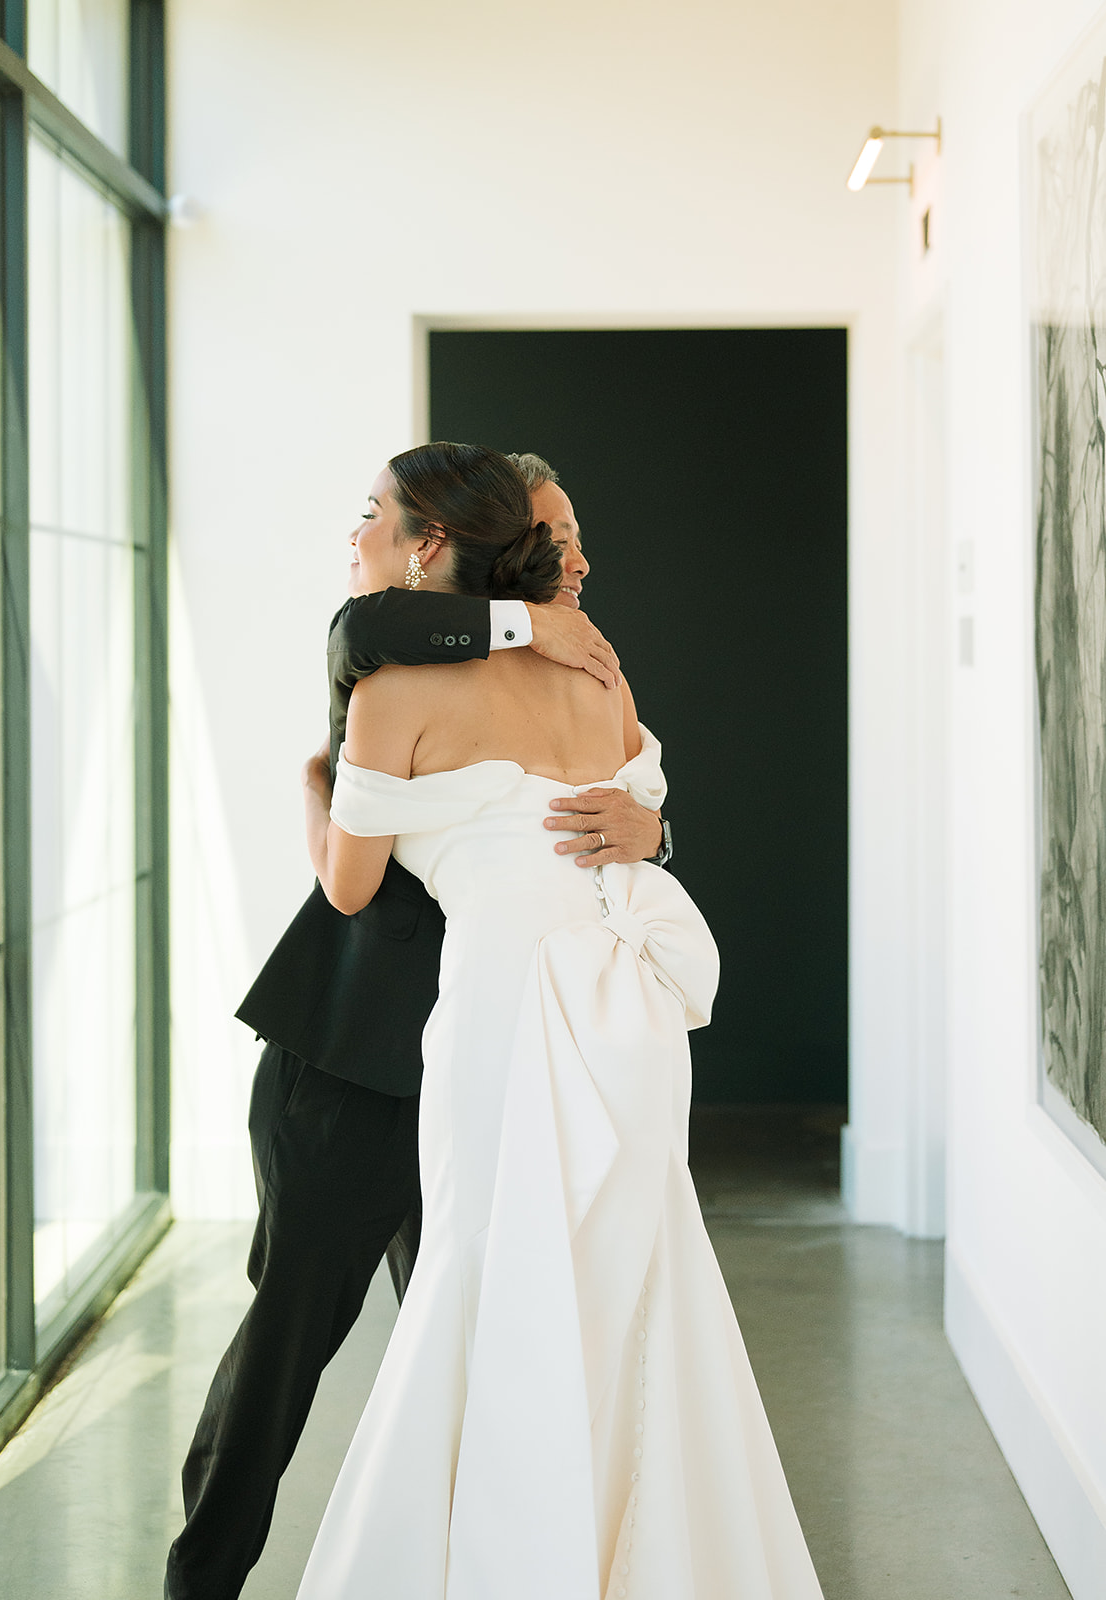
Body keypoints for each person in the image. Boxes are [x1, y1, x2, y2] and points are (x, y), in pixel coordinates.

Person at [296, 442, 824, 1599]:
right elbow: (633, 816)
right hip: (626, 1016)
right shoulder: (599, 675)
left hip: (501, 1009)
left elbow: (346, 887)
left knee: (484, 1275)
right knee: (634, 1286)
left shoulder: (387, 692)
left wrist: (315, 787)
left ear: (436, 544)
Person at [163, 455, 668, 1600]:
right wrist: (521, 624)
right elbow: (371, 629)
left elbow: (620, 813)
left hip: (501, 1068)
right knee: (287, 1350)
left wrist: (649, 837)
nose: (572, 563)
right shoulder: (380, 653)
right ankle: (200, 1582)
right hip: (353, 1068)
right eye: (553, 538)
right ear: (462, 545)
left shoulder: (581, 673)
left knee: (489, 1349)